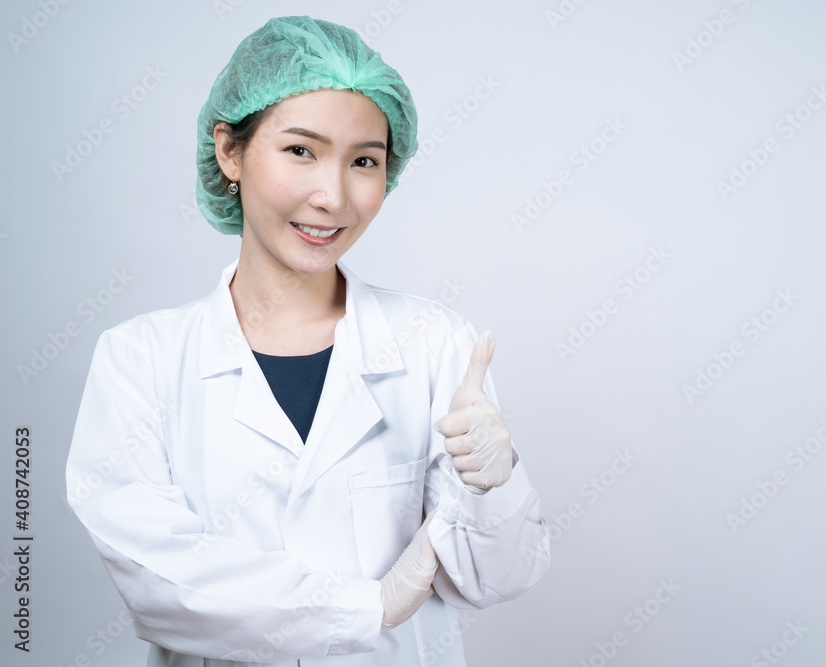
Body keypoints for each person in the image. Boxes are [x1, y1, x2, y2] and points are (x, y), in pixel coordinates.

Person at [64, 16, 550, 666]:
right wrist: (371, 606)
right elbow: (156, 581)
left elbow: (499, 578)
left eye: (364, 161)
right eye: (301, 151)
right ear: (229, 152)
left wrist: (496, 484)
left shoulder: (434, 345)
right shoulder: (141, 360)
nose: (333, 196)